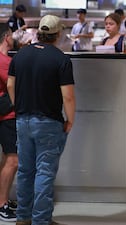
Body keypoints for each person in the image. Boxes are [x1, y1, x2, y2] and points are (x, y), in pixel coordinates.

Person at [7, 15, 75, 225]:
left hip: (23, 121)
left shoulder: (20, 55)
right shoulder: (61, 59)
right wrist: (70, 120)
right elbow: (68, 96)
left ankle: (23, 218)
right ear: (58, 34)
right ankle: (41, 220)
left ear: (38, 33)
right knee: (44, 172)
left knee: (26, 171)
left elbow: (10, 85)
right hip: (48, 122)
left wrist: (18, 107)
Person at [0, 24, 17, 223]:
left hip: (5, 116)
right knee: (13, 160)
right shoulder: (5, 61)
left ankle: (2, 200)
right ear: (6, 37)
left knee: (7, 158)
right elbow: (15, 83)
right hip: (7, 116)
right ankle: (2, 204)